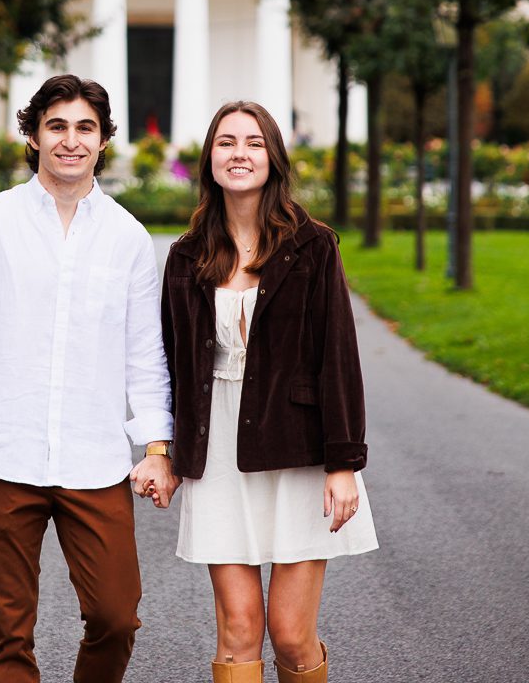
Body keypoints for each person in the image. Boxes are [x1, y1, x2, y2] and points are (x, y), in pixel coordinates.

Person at [0, 74, 179, 683]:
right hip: (4, 456)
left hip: (96, 460)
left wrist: (157, 448)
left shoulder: (129, 239)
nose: (70, 140)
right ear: (33, 136)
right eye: (56, 126)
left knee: (116, 618)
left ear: (104, 140)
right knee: (8, 635)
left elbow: (146, 357)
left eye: (85, 127)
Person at [158, 100, 378, 683]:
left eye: (253, 142)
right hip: (218, 455)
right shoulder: (186, 256)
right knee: (237, 630)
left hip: (297, 449)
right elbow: (170, 364)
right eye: (226, 142)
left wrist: (343, 464)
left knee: (290, 634)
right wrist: (165, 451)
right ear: (209, 159)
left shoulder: (313, 246)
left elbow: (339, 357)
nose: (239, 153)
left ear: (273, 158)